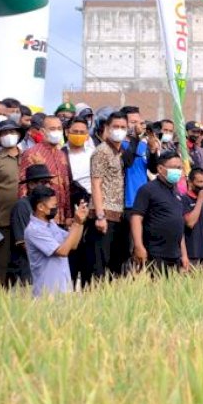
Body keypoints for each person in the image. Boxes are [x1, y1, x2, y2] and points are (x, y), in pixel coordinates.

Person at [130, 151, 190, 274]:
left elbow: (179, 226)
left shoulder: (177, 193)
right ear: (160, 169)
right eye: (173, 168)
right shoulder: (147, 190)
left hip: (174, 255)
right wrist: (138, 246)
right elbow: (136, 218)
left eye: (179, 168)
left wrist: (184, 254)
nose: (178, 171)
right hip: (153, 254)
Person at [0, 119, 27, 285]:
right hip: (3, 220)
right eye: (4, 133)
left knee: (25, 262)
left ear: (18, 135)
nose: (9, 136)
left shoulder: (29, 157)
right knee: (3, 263)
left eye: (12, 132)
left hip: (27, 220)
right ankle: (0, 298)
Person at [24, 186, 89, 297]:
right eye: (53, 206)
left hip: (63, 290)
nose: (56, 209)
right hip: (47, 294)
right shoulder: (34, 230)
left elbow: (73, 244)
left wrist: (81, 221)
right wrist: (76, 223)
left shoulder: (51, 224)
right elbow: (62, 251)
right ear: (40, 207)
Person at [90, 112, 129, 279]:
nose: (119, 130)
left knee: (117, 266)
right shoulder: (101, 151)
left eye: (123, 127)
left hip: (120, 214)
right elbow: (96, 183)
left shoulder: (122, 152)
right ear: (107, 128)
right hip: (104, 214)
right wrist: (100, 215)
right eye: (115, 127)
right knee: (99, 266)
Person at [10, 164, 56, 286]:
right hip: (26, 269)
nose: (47, 186)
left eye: (48, 182)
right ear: (31, 185)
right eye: (43, 182)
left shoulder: (44, 207)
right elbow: (24, 244)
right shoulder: (22, 206)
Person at [18, 115, 72, 221]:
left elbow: (66, 185)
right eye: (52, 129)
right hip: (41, 216)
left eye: (59, 128)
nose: (56, 132)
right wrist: (27, 216)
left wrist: (68, 214)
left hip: (60, 217)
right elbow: (23, 187)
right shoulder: (31, 153)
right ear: (42, 131)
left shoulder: (62, 154)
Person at [120, 106, 151, 211]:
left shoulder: (144, 145)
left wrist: (154, 151)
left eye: (139, 122)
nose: (137, 126)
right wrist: (135, 138)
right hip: (127, 202)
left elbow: (153, 169)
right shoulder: (118, 145)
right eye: (133, 122)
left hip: (144, 202)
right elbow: (127, 162)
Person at [182, 168, 203, 267]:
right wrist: (199, 200)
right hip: (189, 256)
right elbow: (190, 223)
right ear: (190, 183)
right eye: (200, 182)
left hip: (202, 256)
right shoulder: (184, 200)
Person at [65, 117, 95, 201]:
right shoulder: (61, 154)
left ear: (87, 135)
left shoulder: (93, 154)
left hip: (90, 201)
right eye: (75, 132)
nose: (78, 135)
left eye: (82, 132)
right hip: (68, 201)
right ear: (67, 132)